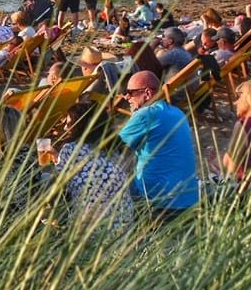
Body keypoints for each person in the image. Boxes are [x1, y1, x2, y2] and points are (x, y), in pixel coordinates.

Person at [118, 71, 200, 218]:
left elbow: (111, 146)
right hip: (189, 197)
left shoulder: (145, 115)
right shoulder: (177, 112)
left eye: (131, 93)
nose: (127, 97)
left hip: (159, 202)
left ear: (147, 93)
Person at [46, 102, 135, 234]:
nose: (65, 128)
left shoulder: (70, 149)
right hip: (123, 225)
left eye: (69, 124)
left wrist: (56, 161)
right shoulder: (114, 147)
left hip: (89, 230)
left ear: (81, 126)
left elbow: (59, 188)